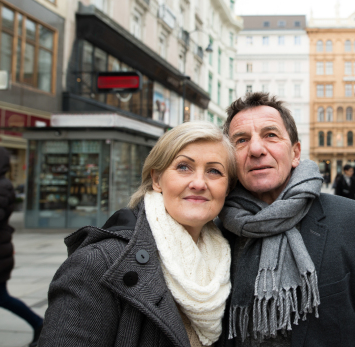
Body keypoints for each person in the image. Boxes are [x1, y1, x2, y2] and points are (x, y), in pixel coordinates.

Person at [217, 92, 355, 347]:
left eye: (271, 135)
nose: (256, 149)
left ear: (295, 153)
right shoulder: (213, 231)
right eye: (241, 140)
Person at [39, 122, 236, 346]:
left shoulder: (226, 262)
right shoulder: (97, 264)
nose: (199, 183)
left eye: (214, 171)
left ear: (227, 189)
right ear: (157, 179)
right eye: (183, 167)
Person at [0, 147, 43, 347]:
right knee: (0, 297)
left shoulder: (0, 186)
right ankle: (38, 323)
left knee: (0, 297)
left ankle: (39, 323)